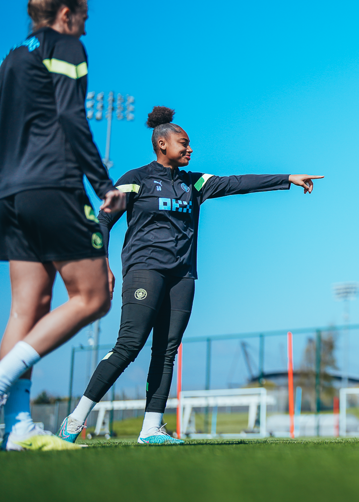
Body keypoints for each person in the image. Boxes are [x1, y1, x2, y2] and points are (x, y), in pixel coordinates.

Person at [56, 106, 322, 445]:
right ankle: (76, 420)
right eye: (184, 143)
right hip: (144, 271)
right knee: (129, 345)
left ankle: (152, 427)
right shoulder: (135, 179)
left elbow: (238, 183)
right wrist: (102, 264)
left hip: (183, 276)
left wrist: (287, 179)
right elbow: (103, 220)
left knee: (166, 351)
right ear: (162, 144)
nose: (190, 149)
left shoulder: (194, 183)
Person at [0, 0, 127, 451]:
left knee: (27, 307)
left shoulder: (11, 58)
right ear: (66, 14)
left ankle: (15, 429)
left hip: (10, 193)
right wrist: (103, 184)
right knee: (93, 296)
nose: (86, 31)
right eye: (85, 20)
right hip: (52, 184)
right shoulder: (64, 45)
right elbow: (72, 115)